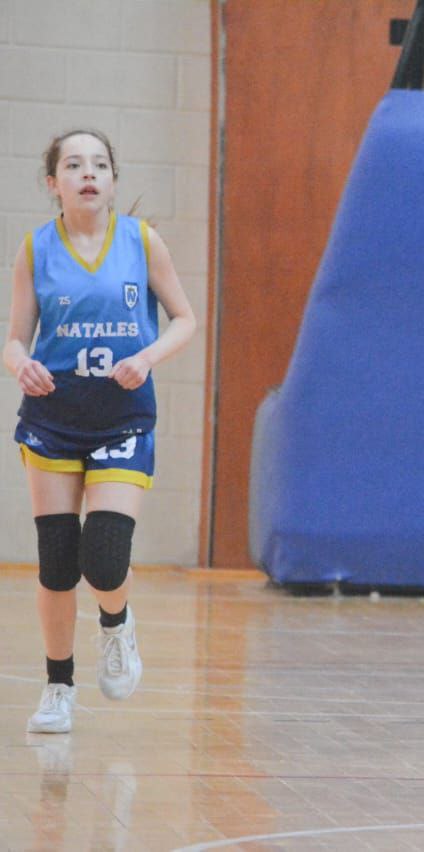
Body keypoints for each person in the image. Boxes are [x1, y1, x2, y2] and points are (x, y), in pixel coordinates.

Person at [4, 129, 197, 734]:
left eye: (99, 164)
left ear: (113, 180)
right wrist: (20, 364)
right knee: (58, 562)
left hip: (121, 415)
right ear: (53, 183)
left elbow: (185, 318)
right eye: (73, 164)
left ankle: (116, 623)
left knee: (106, 561)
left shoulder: (142, 242)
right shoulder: (36, 249)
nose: (88, 173)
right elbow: (16, 338)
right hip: (54, 416)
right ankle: (58, 687)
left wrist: (148, 357)